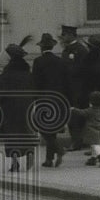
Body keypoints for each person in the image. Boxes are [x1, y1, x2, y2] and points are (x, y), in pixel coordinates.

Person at [0, 38, 38, 172]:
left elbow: (0, 90)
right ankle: (30, 161)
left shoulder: (6, 73)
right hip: (26, 105)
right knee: (27, 132)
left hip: (9, 108)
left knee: (11, 135)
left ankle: (15, 163)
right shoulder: (28, 73)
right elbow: (34, 89)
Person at [31, 32, 68, 167]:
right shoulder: (60, 61)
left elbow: (35, 82)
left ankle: (59, 149)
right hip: (58, 99)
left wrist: (34, 99)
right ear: (52, 47)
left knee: (43, 128)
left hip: (43, 99)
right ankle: (49, 159)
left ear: (41, 48)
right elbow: (65, 81)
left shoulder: (38, 62)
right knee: (51, 129)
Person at [59, 25, 89, 151]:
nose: (63, 37)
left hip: (79, 89)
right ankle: (77, 140)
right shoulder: (66, 50)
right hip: (68, 89)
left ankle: (78, 141)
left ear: (71, 34)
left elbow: (84, 69)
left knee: (77, 115)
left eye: (65, 34)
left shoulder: (80, 50)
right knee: (71, 115)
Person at [72, 90, 100, 167]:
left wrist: (74, 109)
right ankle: (93, 158)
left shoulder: (91, 110)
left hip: (92, 130)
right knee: (95, 145)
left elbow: (82, 112)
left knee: (95, 145)